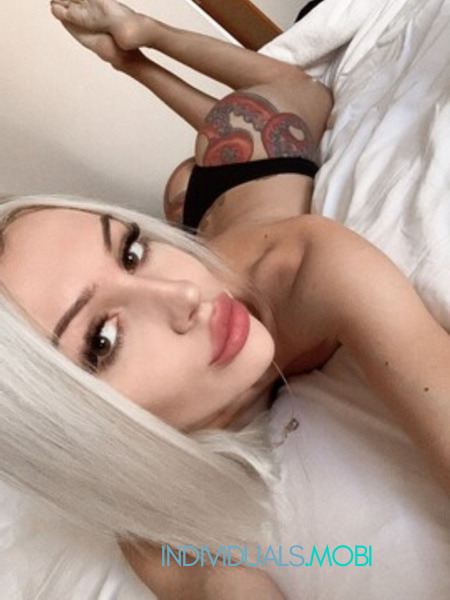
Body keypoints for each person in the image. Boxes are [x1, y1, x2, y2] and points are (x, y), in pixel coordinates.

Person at [0, 0, 448, 598]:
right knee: (201, 159)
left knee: (287, 96)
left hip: (258, 172)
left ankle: (147, 36)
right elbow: (211, 580)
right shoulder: (143, 508)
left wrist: (147, 51)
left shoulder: (306, 266)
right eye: (102, 340)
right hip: (211, 207)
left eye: (131, 249)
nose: (185, 293)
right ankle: (135, 63)